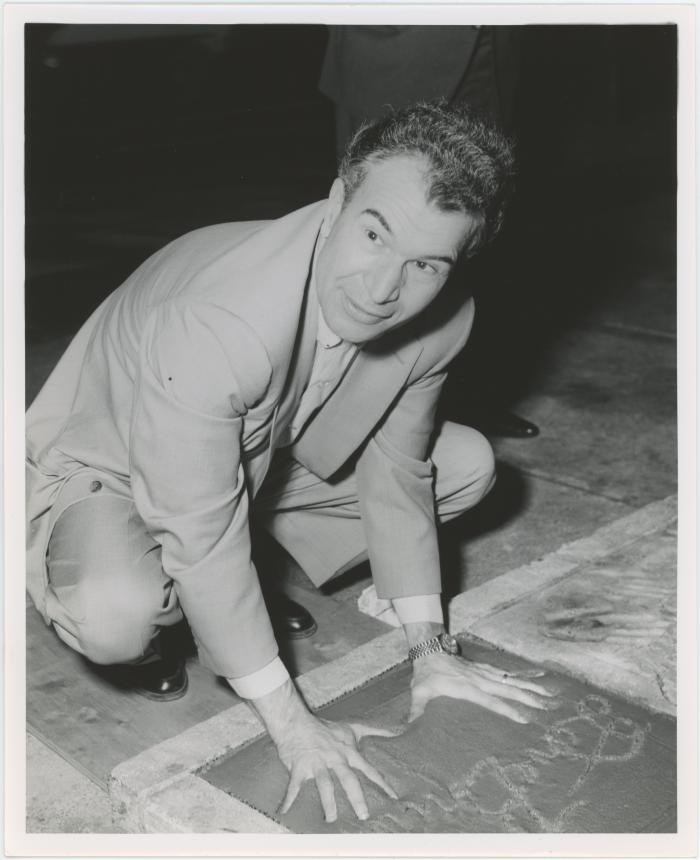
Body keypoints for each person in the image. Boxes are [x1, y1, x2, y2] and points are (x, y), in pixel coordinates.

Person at [26, 102, 553, 823]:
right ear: (336, 204)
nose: (382, 290)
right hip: (112, 468)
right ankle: (183, 623)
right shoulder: (220, 319)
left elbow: (399, 472)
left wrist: (430, 650)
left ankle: (245, 589)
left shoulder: (446, 317)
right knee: (118, 612)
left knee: (465, 462)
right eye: (375, 234)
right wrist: (292, 721)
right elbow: (200, 531)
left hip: (257, 462)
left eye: (425, 264)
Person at [320, 24, 540, 439]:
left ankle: (456, 399)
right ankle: (342, 416)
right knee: (379, 238)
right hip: (398, 44)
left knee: (461, 235)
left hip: (490, 47)